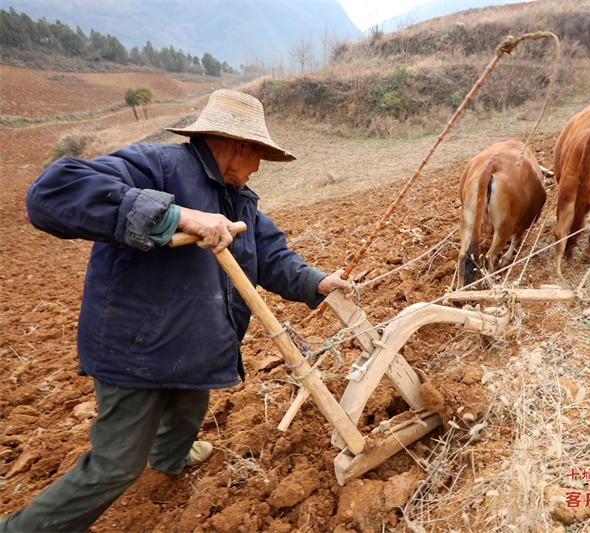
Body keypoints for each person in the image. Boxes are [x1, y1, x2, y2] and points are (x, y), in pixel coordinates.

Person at [0, 89, 353, 532]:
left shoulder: (237, 195)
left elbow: (269, 252)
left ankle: (169, 458)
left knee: (188, 410)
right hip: (136, 352)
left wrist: (316, 282)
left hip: (193, 345)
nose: (259, 166)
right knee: (116, 465)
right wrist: (178, 216)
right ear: (239, 145)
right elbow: (52, 193)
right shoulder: (157, 166)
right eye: (259, 154)